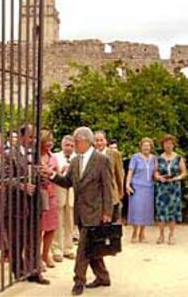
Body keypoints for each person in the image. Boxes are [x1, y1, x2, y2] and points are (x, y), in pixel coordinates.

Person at [41, 126, 113, 296]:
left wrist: (107, 211)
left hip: (95, 211)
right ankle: (103, 277)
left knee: (83, 247)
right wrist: (51, 175)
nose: (73, 144)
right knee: (92, 246)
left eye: (76, 141)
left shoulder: (101, 160)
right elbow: (67, 182)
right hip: (80, 212)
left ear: (85, 141)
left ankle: (78, 280)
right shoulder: (74, 161)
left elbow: (108, 188)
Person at [3, 124, 49, 284]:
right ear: (21, 137)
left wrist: (43, 177)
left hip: (34, 204)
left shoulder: (35, 154)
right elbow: (4, 178)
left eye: (34, 137)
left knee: (34, 239)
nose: (33, 140)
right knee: (18, 240)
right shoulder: (9, 154)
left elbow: (39, 174)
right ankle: (18, 271)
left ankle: (34, 271)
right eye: (30, 137)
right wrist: (22, 186)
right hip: (16, 204)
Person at [155, 134, 187, 245]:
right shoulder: (159, 158)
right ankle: (161, 234)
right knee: (161, 211)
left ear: (173, 145)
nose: (168, 146)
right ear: (163, 145)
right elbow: (155, 172)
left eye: (170, 143)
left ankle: (172, 235)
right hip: (162, 187)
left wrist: (176, 178)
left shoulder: (178, 158)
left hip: (174, 188)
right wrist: (159, 177)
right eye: (166, 144)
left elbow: (184, 172)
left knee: (173, 211)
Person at [126, 137, 157, 243]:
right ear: (141, 146)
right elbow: (130, 171)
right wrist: (127, 184)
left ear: (151, 147)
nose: (146, 148)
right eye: (144, 146)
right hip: (137, 186)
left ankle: (142, 233)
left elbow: (156, 172)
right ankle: (134, 232)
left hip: (149, 186)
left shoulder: (154, 158)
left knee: (146, 211)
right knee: (136, 210)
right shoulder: (135, 157)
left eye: (148, 146)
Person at [52, 135, 76, 263]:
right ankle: (57, 249)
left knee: (70, 220)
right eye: (67, 145)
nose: (69, 148)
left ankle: (68, 248)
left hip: (72, 191)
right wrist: (61, 171)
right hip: (59, 189)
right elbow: (53, 174)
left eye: (72, 146)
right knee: (58, 220)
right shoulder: (56, 157)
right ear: (62, 145)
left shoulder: (77, 157)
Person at [39, 129, 59, 269]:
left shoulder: (53, 157)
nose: (50, 143)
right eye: (47, 141)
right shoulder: (34, 157)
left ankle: (46, 254)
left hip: (51, 193)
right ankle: (36, 257)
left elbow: (57, 174)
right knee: (39, 228)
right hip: (39, 195)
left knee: (51, 227)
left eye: (51, 141)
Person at [94, 131, 124, 222]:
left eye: (101, 140)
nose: (99, 143)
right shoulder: (91, 155)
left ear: (105, 141)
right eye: (97, 140)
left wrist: (120, 192)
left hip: (112, 195)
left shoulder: (114, 154)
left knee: (113, 225)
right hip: (96, 196)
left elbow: (119, 174)